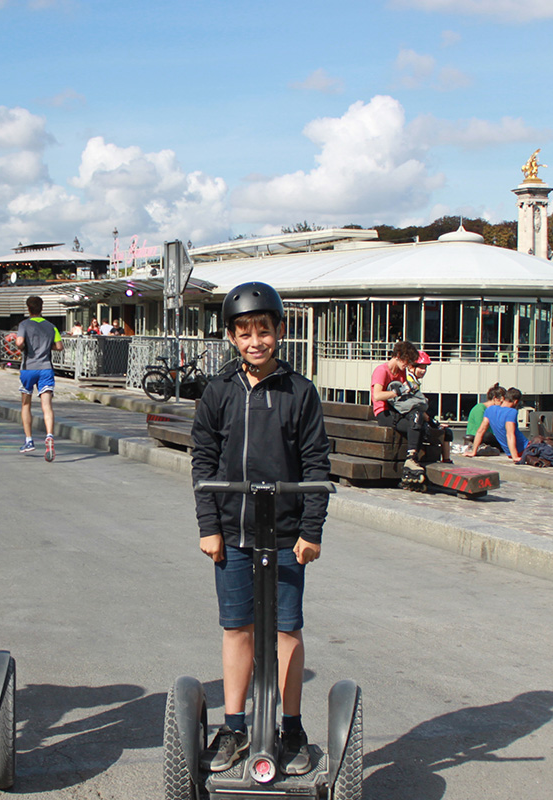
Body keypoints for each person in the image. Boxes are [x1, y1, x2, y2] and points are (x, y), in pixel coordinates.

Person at [191, 281, 331, 775]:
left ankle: (290, 727)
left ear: (279, 331)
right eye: (245, 332)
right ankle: (233, 725)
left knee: (287, 630)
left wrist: (311, 530)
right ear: (232, 336)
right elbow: (204, 459)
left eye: (264, 331)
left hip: (287, 535)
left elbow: (315, 464)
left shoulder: (299, 392)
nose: (256, 341)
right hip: (232, 532)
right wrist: (209, 525)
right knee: (238, 629)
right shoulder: (220, 391)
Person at [370, 341, 432, 479]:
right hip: (384, 412)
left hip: (399, 410)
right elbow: (377, 395)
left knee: (419, 419)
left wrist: (431, 419)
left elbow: (407, 399)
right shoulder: (382, 371)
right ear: (398, 356)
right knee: (416, 425)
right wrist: (397, 392)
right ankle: (411, 460)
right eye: (406, 361)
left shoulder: (402, 372)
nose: (407, 365)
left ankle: (411, 459)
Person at [14, 295, 63, 460]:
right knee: (47, 405)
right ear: (42, 308)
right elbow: (59, 346)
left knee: (26, 404)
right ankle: (49, 435)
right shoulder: (51, 326)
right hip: (46, 368)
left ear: (28, 308)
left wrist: (24, 345)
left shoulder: (24, 325)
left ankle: (29, 440)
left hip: (28, 368)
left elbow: (19, 342)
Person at [405, 351, 453, 463]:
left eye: (425, 368)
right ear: (411, 367)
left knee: (444, 431)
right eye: (421, 368)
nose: (424, 371)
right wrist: (434, 423)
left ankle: (446, 461)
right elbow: (416, 407)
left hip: (416, 418)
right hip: (413, 420)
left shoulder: (414, 381)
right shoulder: (410, 383)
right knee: (446, 432)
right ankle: (446, 461)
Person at [466, 387, 528, 461]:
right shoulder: (511, 412)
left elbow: (480, 430)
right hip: (523, 448)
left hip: (509, 452)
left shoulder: (490, 410)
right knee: (540, 442)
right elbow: (510, 435)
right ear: (515, 402)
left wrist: (474, 452)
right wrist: (515, 456)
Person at [466, 384, 505, 449]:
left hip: (489, 436)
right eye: (502, 402)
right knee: (488, 436)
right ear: (495, 399)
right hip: (478, 436)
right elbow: (481, 428)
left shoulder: (495, 411)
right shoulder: (480, 408)